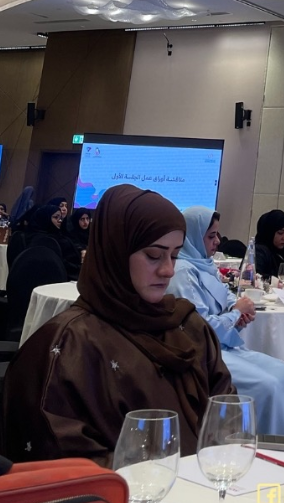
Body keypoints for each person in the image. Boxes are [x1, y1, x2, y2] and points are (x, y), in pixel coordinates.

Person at [2, 185, 233, 464]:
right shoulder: (67, 347)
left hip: (207, 483)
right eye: (154, 255)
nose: (168, 270)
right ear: (115, 251)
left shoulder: (188, 325)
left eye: (174, 255)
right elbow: (65, 462)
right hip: (128, 490)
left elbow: (227, 416)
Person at [168, 207, 284, 436]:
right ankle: (271, 448)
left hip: (223, 346)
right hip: (204, 354)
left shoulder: (204, 265)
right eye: (211, 236)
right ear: (192, 236)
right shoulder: (183, 272)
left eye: (217, 234)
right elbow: (197, 329)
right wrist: (234, 315)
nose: (217, 241)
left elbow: (227, 297)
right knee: (269, 386)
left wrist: (240, 311)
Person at [26, 203, 82, 280]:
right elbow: (60, 263)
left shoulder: (58, 234)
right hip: (63, 278)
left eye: (60, 218)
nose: (60, 221)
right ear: (45, 219)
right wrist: (81, 268)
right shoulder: (43, 240)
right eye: (56, 217)